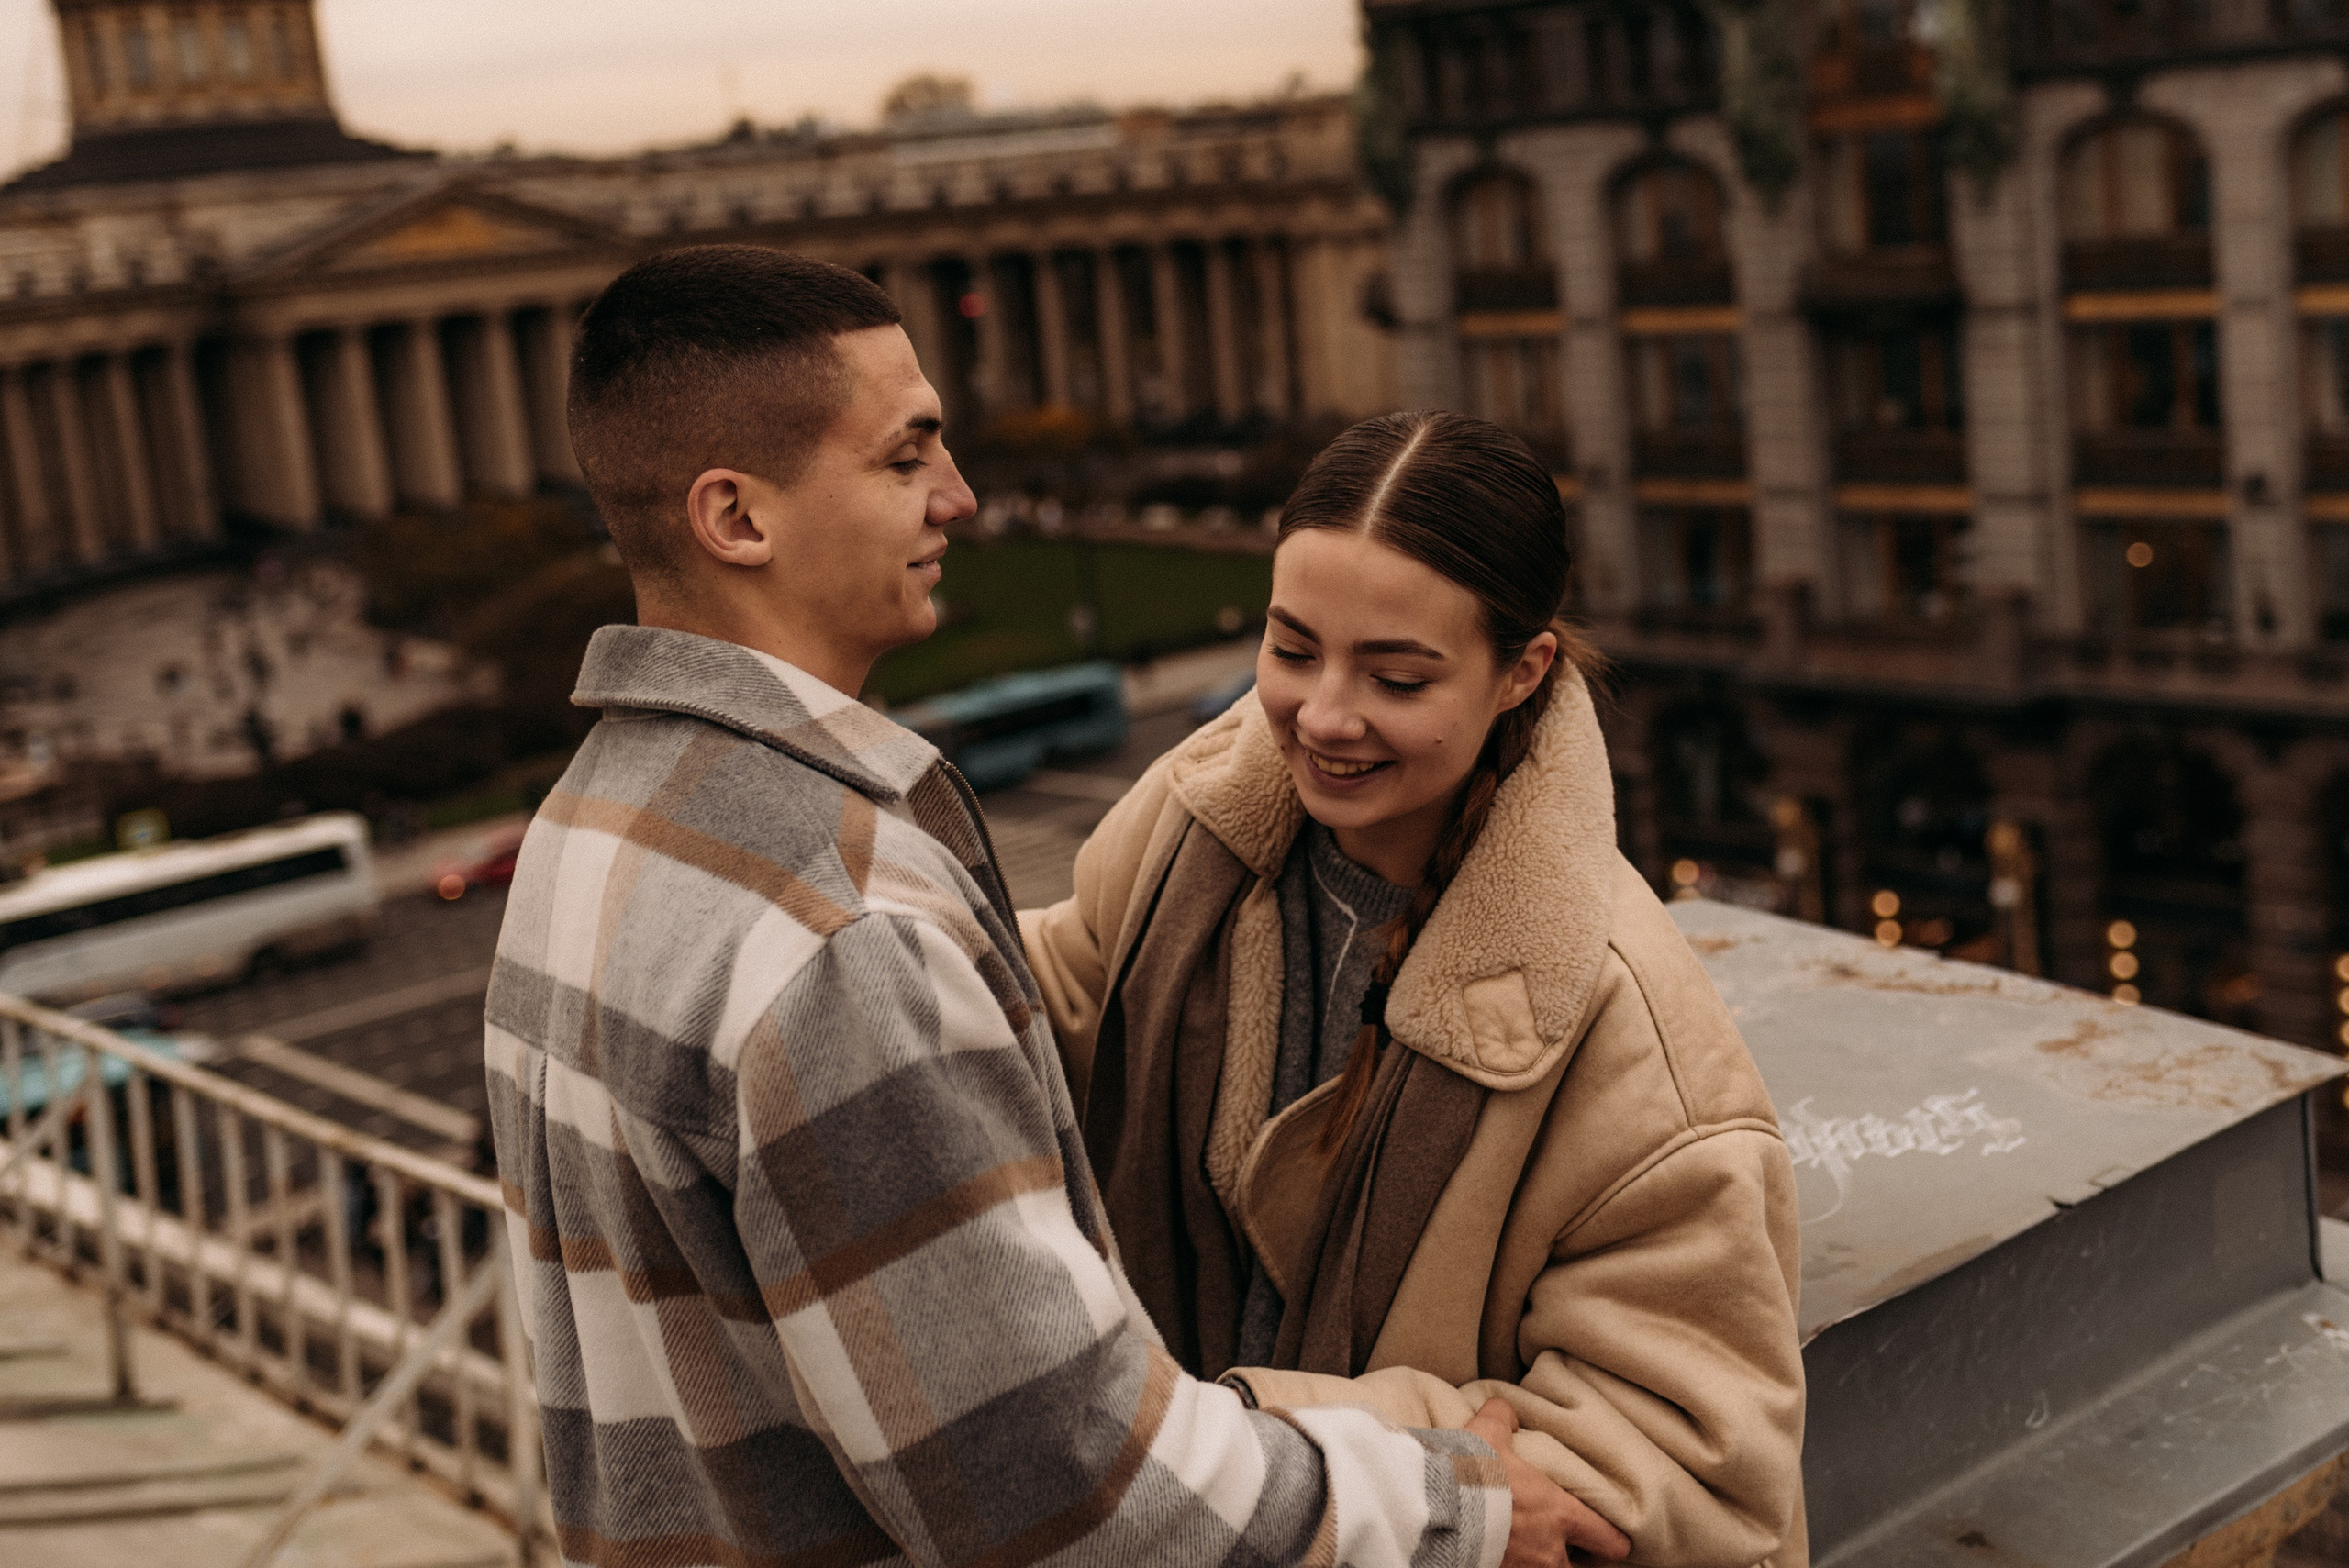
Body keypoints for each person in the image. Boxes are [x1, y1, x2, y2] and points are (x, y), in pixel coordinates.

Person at [483, 247, 1596, 1568]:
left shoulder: (588, 827)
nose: (957, 495)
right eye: (905, 458)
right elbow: (1069, 1491)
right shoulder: (842, 935)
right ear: (737, 518)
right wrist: (1449, 1504)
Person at [1020, 411, 1809, 1567]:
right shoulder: (1191, 817)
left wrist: (1255, 1448)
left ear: (1521, 672)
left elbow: (1691, 1472)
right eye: (1291, 650)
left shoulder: (1634, 1038)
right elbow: (1052, 1006)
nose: (1323, 715)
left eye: (1395, 675)